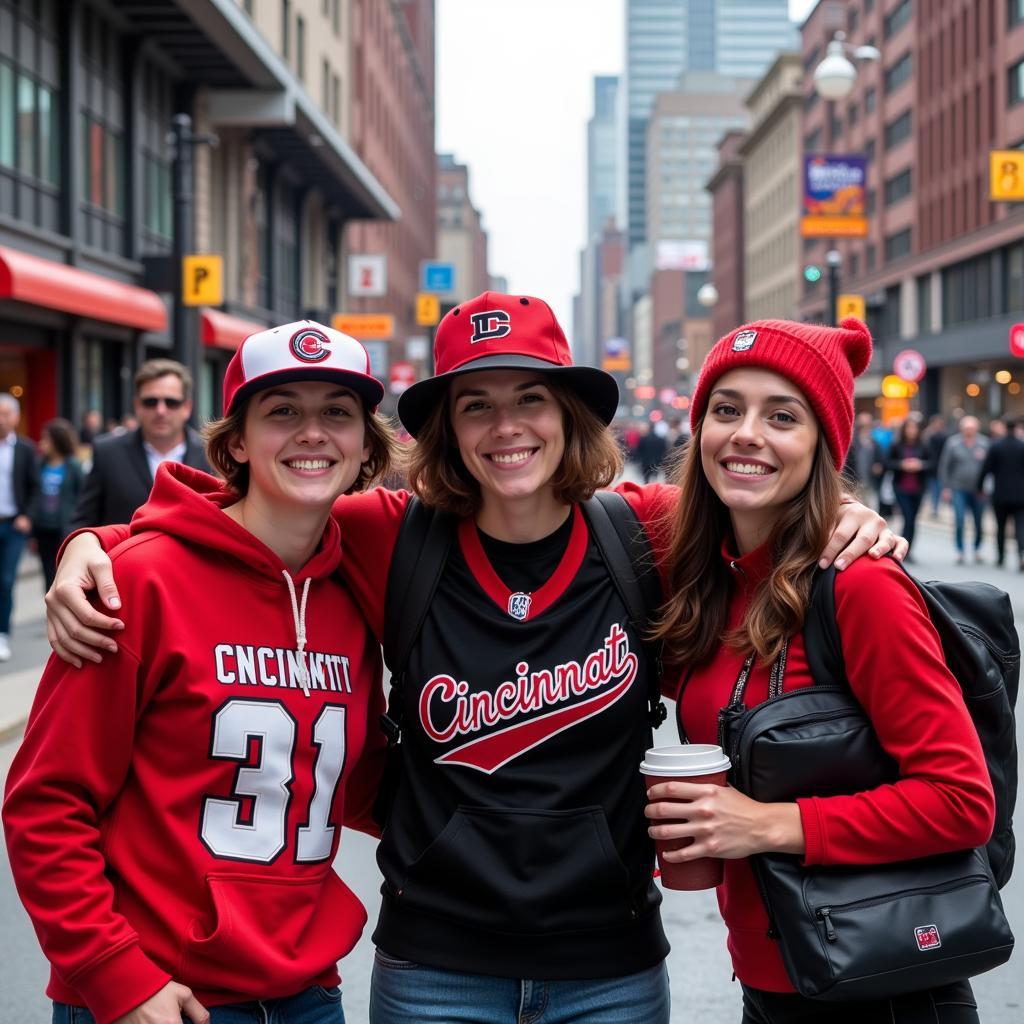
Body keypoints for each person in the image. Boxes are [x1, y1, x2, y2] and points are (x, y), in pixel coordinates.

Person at [44, 293, 903, 1024]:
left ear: (570, 416)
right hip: (434, 965)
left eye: (530, 398)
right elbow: (245, 517)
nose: (507, 427)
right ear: (447, 430)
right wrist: (96, 544)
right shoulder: (389, 537)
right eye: (475, 404)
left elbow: (753, 497)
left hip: (609, 966)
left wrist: (846, 517)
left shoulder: (641, 531)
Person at [4, 321, 394, 1024]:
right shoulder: (138, 583)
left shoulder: (358, 587)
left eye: (337, 413)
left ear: (365, 443)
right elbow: (45, 802)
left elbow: (356, 782)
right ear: (236, 441)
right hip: (157, 995)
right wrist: (113, 972)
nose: (313, 433)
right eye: (282, 412)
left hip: (308, 996)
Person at [644, 318, 993, 1024]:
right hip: (776, 985)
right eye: (726, 409)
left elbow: (961, 801)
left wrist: (770, 825)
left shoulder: (860, 584)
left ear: (822, 446)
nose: (746, 433)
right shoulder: (704, 574)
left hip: (885, 990)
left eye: (783, 416)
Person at [70, 359, 211, 529]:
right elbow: (82, 522)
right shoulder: (107, 452)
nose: (160, 411)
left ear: (187, 407)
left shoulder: (211, 455)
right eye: (150, 402)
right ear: (137, 405)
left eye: (171, 402)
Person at [0, 391, 39, 662]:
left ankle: (2, 633)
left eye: (6, 414)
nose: (1, 419)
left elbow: (35, 487)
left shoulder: (25, 448)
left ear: (16, 417)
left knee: (6, 580)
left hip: (14, 524)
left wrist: (28, 516)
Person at [30, 418, 84, 591]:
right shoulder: (39, 464)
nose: (42, 443)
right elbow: (33, 493)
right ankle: (50, 611)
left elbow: (82, 497)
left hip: (65, 529)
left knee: (64, 574)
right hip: (42, 528)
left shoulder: (73, 466)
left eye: (46, 438)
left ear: (57, 440)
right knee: (48, 575)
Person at [937, 415, 989, 565]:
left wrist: (988, 486)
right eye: (966, 428)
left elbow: (990, 468)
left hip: (978, 490)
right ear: (961, 429)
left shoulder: (984, 444)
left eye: (972, 428)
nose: (969, 431)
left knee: (979, 521)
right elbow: (944, 466)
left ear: (977, 429)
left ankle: (977, 548)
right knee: (959, 520)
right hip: (958, 488)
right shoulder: (953, 443)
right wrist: (945, 487)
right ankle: (959, 550)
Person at [979, 417, 1024, 570]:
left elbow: (986, 469)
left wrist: (979, 487)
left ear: (1004, 427)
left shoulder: (996, 446)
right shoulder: (1022, 445)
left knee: (1001, 526)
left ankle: (1000, 556)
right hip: (1020, 494)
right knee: (1020, 526)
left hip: (1000, 494)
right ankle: (1021, 554)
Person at [885, 417, 931, 561]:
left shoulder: (924, 445)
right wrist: (901, 465)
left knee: (913, 519)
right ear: (904, 430)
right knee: (908, 517)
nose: (911, 431)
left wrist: (921, 465)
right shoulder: (896, 445)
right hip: (901, 487)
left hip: (918, 488)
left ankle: (907, 549)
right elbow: (887, 463)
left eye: (914, 428)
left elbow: (933, 463)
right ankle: (902, 548)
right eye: (909, 428)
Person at [842, 411, 883, 507]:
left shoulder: (874, 442)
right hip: (856, 484)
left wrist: (879, 466)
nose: (865, 426)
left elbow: (881, 460)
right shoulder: (852, 443)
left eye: (868, 423)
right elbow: (847, 464)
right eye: (863, 424)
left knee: (873, 510)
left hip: (871, 483)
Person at [922, 414, 949, 517]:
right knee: (933, 487)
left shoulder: (944, 436)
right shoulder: (927, 435)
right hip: (930, 467)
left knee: (938, 487)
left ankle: (936, 506)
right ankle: (934, 506)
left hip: (940, 466)